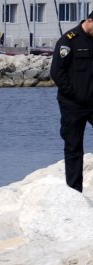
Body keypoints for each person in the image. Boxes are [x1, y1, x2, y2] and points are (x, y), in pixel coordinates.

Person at [50, 12, 93, 193]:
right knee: (73, 147)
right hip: (72, 105)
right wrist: (74, 94)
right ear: (90, 21)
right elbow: (57, 73)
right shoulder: (69, 40)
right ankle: (75, 191)